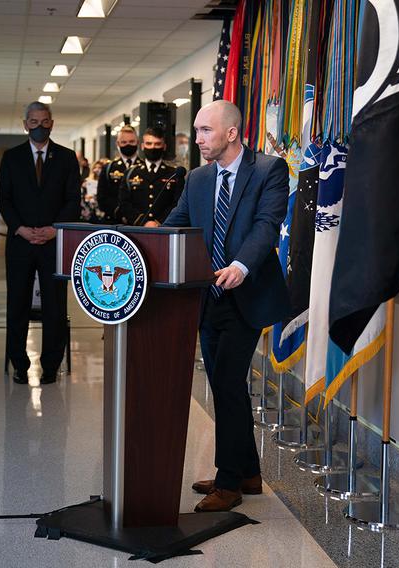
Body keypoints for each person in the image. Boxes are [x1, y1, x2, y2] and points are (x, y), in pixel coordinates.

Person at [163, 100, 290, 513]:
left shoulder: (269, 170)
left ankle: (229, 482)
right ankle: (249, 471)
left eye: (204, 130)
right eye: (197, 131)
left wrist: (240, 265)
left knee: (230, 383)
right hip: (209, 297)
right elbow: (178, 222)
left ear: (231, 133)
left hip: (246, 295)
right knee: (222, 385)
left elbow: (266, 225)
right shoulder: (198, 178)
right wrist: (143, 241)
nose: (197, 138)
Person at [0, 101, 80, 385]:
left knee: (55, 307)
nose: (39, 127)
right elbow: (3, 198)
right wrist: (20, 228)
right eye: (33, 121)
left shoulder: (67, 158)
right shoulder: (12, 157)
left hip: (53, 243)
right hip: (20, 243)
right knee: (17, 304)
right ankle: (19, 363)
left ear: (52, 123)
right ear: (25, 124)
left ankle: (51, 365)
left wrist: (54, 229)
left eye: (44, 121)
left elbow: (73, 200)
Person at [116, 127, 184, 227]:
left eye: (157, 144)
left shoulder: (174, 173)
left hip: (164, 228)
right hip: (136, 228)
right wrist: (143, 222)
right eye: (149, 144)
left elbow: (177, 203)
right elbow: (124, 203)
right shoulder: (131, 172)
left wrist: (158, 222)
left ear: (164, 146)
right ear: (143, 146)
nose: (153, 147)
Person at [96, 126, 141, 223]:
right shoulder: (109, 168)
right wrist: (120, 212)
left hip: (138, 221)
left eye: (131, 142)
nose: (128, 145)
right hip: (114, 221)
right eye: (124, 142)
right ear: (118, 144)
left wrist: (133, 216)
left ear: (137, 142)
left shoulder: (143, 167)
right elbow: (102, 198)